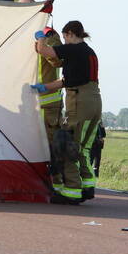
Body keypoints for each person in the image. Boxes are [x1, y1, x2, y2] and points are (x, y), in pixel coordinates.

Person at [32, 20, 101, 204]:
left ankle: (71, 191)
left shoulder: (74, 49)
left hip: (80, 101)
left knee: (67, 145)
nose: (64, 41)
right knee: (83, 148)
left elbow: (44, 51)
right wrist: (44, 87)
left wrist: (40, 38)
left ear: (70, 33)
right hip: (94, 100)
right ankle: (87, 187)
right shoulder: (88, 52)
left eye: (64, 37)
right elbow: (66, 81)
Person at [32, 21, 66, 194]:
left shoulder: (50, 35)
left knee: (52, 145)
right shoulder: (17, 34)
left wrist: (42, 42)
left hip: (47, 103)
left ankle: (57, 185)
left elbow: (59, 61)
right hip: (27, 103)